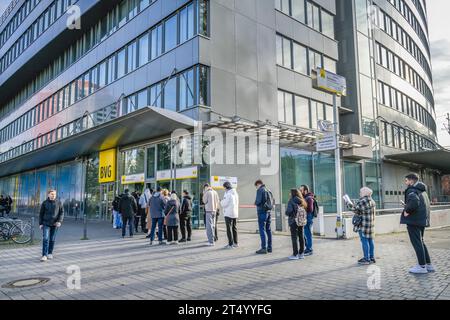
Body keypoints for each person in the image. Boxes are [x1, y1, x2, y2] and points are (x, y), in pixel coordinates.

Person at [401, 173, 435, 274]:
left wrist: (407, 210)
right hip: (421, 220)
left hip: (414, 221)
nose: (405, 182)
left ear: (411, 181)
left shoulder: (412, 190)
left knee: (417, 243)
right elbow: (419, 203)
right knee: (421, 242)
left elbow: (414, 203)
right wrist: (408, 205)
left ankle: (421, 266)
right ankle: (429, 265)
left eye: (406, 180)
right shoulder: (422, 191)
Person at [349, 187, 376, 265]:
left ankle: (366, 259)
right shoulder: (372, 201)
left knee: (364, 241)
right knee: (370, 241)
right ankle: (371, 257)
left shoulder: (363, 201)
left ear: (365, 193)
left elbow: (354, 209)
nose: (359, 193)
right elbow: (361, 210)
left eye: (360, 192)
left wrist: (348, 203)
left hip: (363, 225)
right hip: (370, 224)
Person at [39, 190, 64, 262]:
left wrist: (59, 221)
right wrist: (40, 223)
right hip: (46, 223)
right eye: (52, 194)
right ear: (48, 195)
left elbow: (62, 213)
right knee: (46, 238)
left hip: (55, 224)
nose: (53, 195)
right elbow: (41, 214)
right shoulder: (44, 203)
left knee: (52, 239)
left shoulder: (59, 202)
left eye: (54, 194)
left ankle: (50, 253)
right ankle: (44, 255)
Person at [285, 189, 307, 260]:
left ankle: (295, 254)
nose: (289, 194)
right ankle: (301, 253)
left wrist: (287, 213)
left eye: (290, 193)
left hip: (293, 221)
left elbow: (288, 211)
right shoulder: (302, 201)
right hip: (301, 221)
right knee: (301, 237)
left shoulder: (291, 201)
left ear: (292, 194)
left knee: (294, 238)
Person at [254, 180, 273, 254]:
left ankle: (263, 248)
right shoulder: (268, 190)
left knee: (262, 229)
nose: (256, 188)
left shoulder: (260, 190)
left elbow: (258, 201)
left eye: (256, 186)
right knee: (268, 229)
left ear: (258, 184)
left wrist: (255, 202)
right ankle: (269, 247)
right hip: (268, 211)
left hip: (262, 212)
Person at [220, 182, 239, 249]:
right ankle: (235, 243)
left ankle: (230, 244)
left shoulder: (228, 194)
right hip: (235, 213)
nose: (224, 189)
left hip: (228, 213)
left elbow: (224, 204)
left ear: (226, 187)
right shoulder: (235, 193)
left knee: (229, 229)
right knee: (234, 228)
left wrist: (221, 201)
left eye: (224, 187)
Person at [300, 185, 315, 256]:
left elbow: (311, 209)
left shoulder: (309, 198)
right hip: (306, 217)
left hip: (308, 218)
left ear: (305, 191)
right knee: (306, 233)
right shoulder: (305, 198)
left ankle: (310, 249)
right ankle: (307, 248)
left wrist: (304, 208)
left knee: (308, 234)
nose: (300, 192)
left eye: (301, 190)